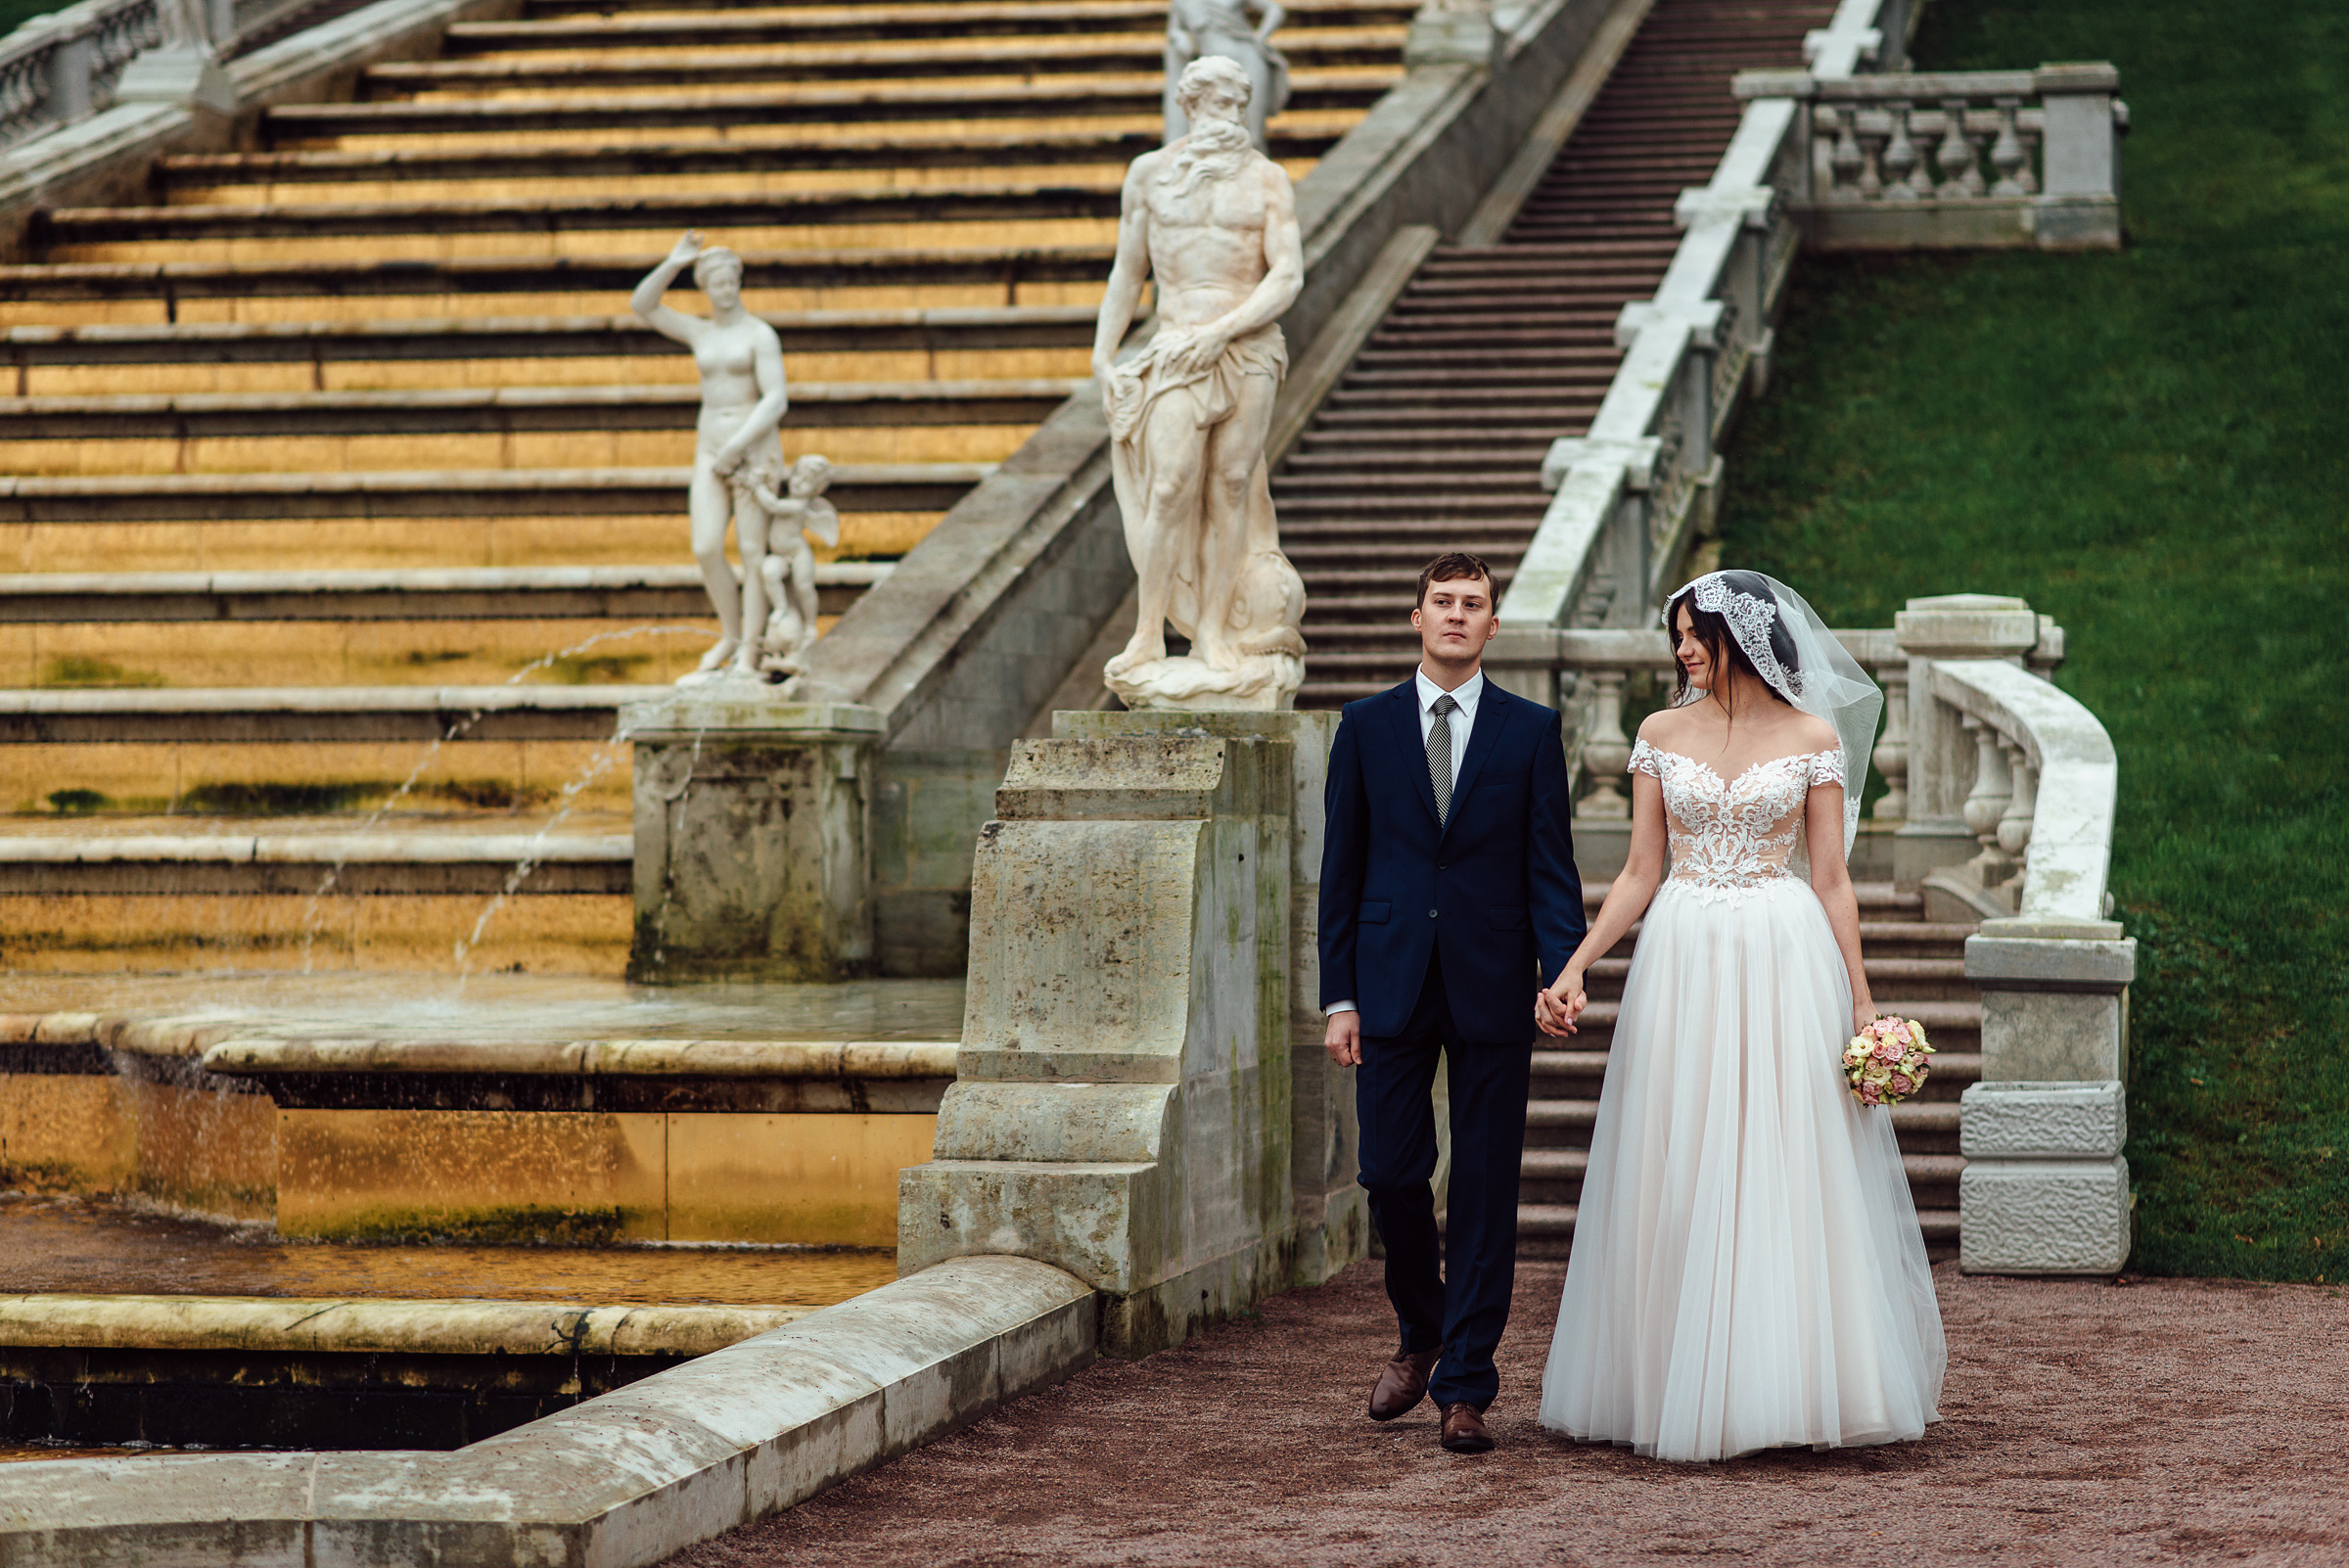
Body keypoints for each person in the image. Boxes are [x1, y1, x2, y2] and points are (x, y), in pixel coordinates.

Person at [1536, 569, 1946, 1462]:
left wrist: (1864, 998)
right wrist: (1574, 964)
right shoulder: (1656, 732)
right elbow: (1641, 870)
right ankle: (1671, 1380)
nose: (1680, 648)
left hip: (1780, 950)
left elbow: (1831, 876)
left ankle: (1791, 1382)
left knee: (1784, 1156)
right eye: (1675, 633)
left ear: (1743, 636)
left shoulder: (1811, 736)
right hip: (1681, 953)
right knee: (1674, 1152)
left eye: (1694, 633)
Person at [1319, 551, 1587, 1454]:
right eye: (1444, 602)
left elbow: (1551, 867)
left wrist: (1562, 969)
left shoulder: (1529, 730)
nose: (1458, 616)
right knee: (1391, 1172)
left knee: (1482, 1187)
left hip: (1495, 982)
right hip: (1389, 982)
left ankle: (1467, 1385)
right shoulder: (1363, 727)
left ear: (1492, 625)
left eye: (1475, 604)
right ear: (1417, 616)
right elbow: (1341, 873)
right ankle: (1421, 1331)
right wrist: (1339, 995)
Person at [1092, 54, 1308, 710]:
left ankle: (1213, 634)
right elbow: (1128, 274)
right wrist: (1103, 359)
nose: (1228, 117)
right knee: (1170, 486)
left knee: (1232, 487)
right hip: (1176, 347)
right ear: (1188, 106)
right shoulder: (1151, 175)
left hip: (1248, 348)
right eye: (1215, 103)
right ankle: (1147, 635)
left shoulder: (1269, 181)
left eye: (1238, 104)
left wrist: (1226, 329)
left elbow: (1288, 274)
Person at [631, 231, 789, 682]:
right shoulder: (699, 331)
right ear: (705, 287)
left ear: (739, 282)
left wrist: (738, 446)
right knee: (705, 546)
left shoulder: (760, 334)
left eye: (731, 281)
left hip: (754, 449)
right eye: (716, 283)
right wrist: (674, 262)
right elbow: (642, 305)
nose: (725, 289)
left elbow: (776, 399)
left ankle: (749, 653)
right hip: (710, 447)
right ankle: (731, 632)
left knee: (754, 552)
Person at [748, 454, 841, 683]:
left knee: (804, 587)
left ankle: (810, 624)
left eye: (807, 481)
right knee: (769, 572)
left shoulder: (797, 505)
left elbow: (772, 505)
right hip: (780, 555)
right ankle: (780, 608)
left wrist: (757, 485)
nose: (799, 482)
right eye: (797, 475)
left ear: (817, 489)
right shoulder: (790, 497)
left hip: (797, 554)